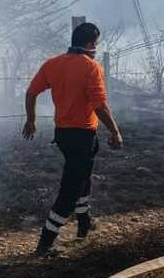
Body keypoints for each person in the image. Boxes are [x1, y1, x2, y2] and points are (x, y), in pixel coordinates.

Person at [23, 22, 123, 256]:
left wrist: (31, 120)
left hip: (63, 135)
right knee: (70, 188)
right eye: (95, 44)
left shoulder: (52, 64)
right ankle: (46, 243)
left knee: (83, 176)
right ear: (90, 44)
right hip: (83, 135)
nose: (96, 48)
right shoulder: (91, 67)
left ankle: (84, 221)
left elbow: (31, 93)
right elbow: (99, 105)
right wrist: (115, 131)